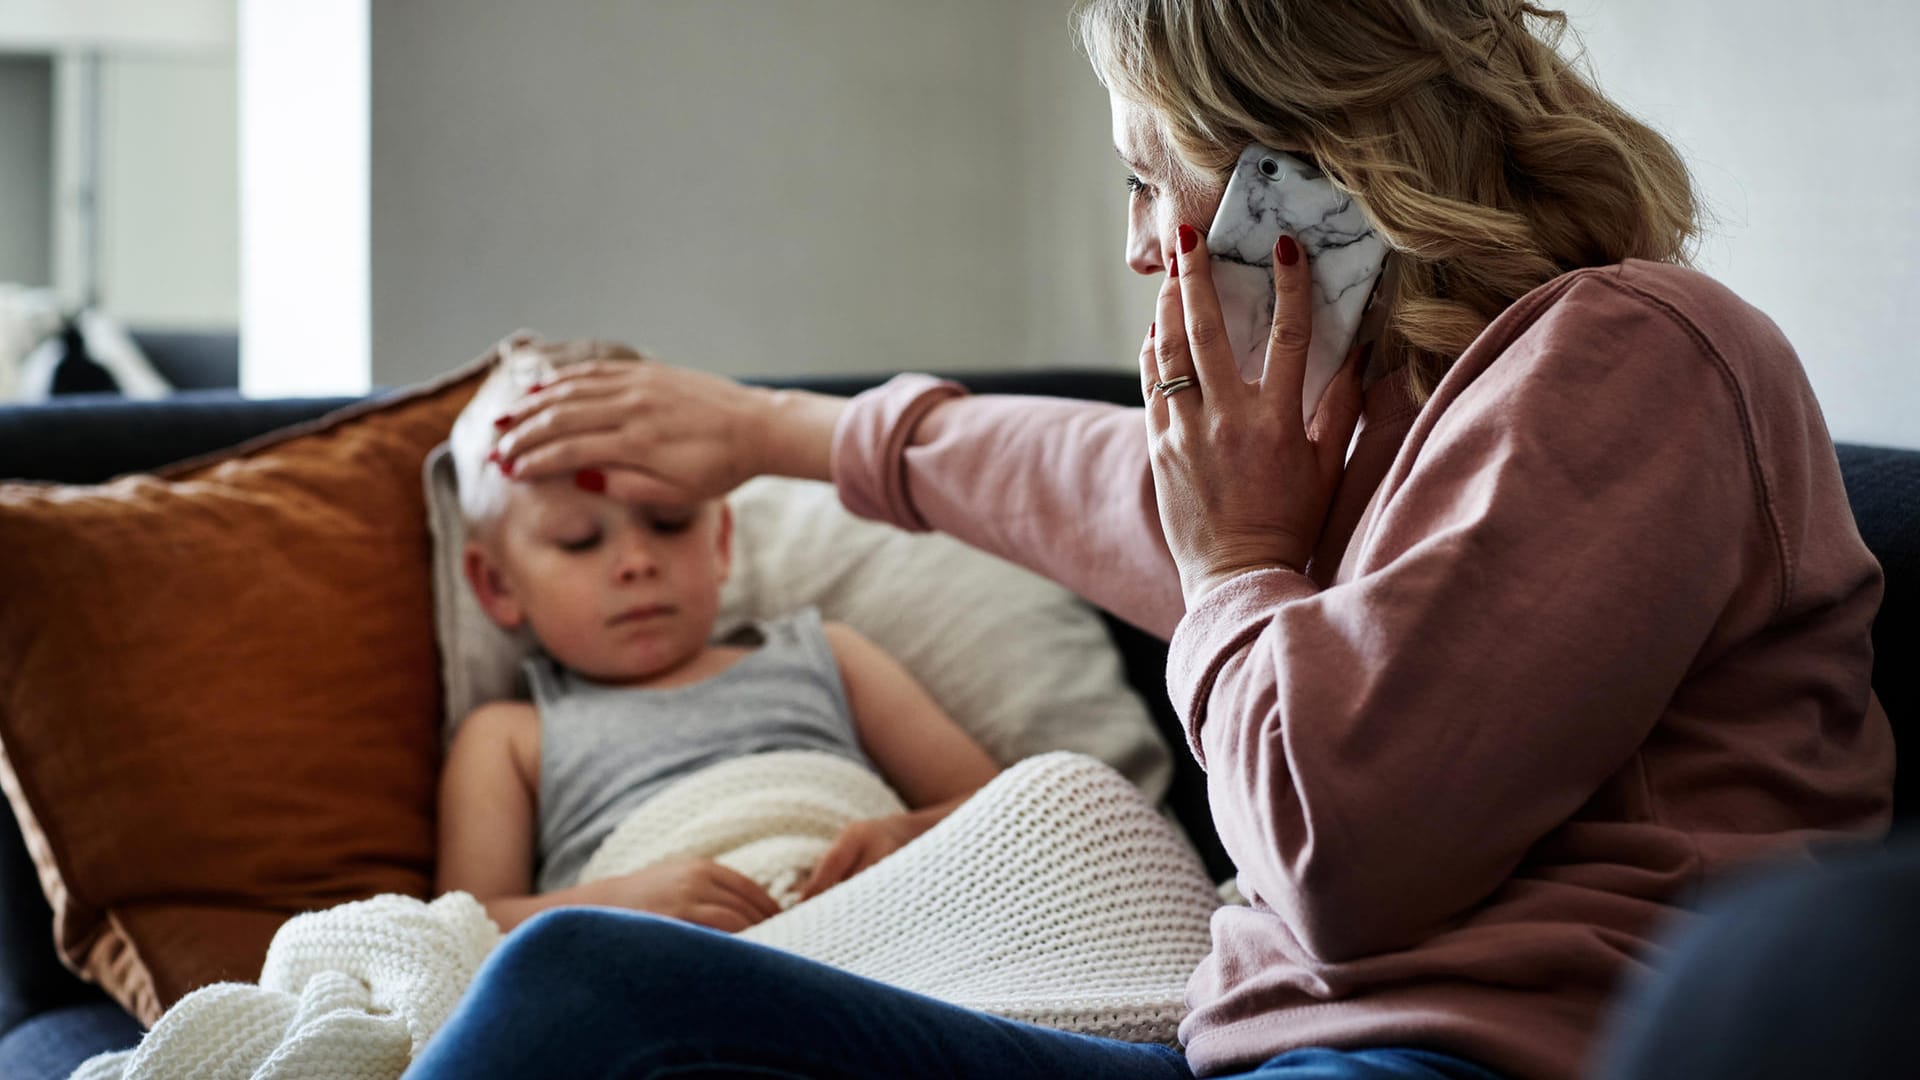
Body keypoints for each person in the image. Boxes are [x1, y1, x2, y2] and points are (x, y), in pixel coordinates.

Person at [404, 1, 1894, 1077]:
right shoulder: (1382, 419)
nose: (1135, 244)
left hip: (1465, 1064)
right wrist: (781, 431)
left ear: (1302, 172)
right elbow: (1102, 487)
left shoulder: (1635, 358)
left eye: (1141, 175)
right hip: (1251, 1057)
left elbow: (1340, 858)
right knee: (581, 986)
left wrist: (1242, 562)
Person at [435, 359, 1002, 934]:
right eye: (579, 541)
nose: (637, 563)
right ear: (498, 585)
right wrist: (615, 905)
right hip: (664, 969)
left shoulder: (828, 656)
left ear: (722, 541)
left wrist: (905, 840)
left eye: (669, 522)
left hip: (881, 933)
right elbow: (458, 930)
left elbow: (1010, 806)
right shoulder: (509, 737)